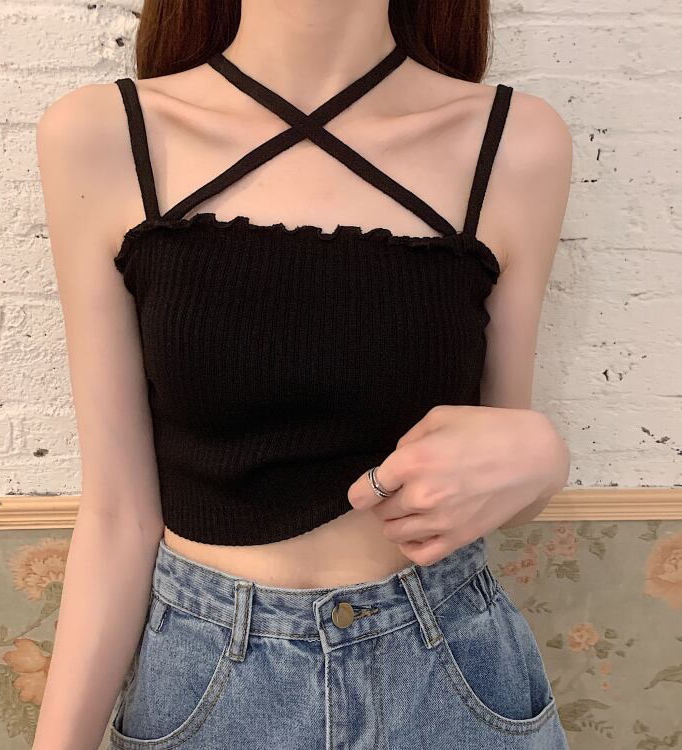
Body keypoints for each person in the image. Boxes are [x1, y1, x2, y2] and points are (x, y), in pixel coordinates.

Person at [33, 1, 573, 748]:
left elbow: (496, 477)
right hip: (208, 683)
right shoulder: (104, 137)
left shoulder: (514, 142)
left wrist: (545, 455)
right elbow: (118, 514)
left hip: (449, 671)